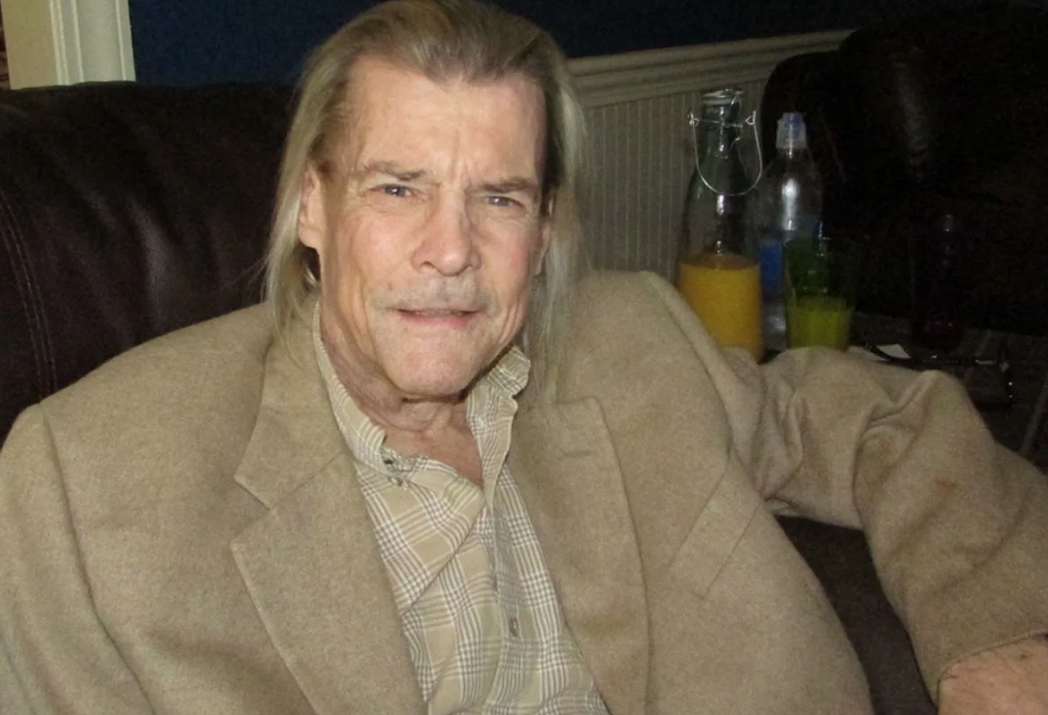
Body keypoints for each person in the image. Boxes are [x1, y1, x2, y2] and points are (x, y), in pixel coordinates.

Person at [1, 0, 1047, 713]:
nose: (451, 250)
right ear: (311, 206)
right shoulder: (86, 484)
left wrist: (990, 630)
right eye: (398, 187)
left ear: (543, 230)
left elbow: (885, 419)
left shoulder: (635, 340)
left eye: (498, 198)